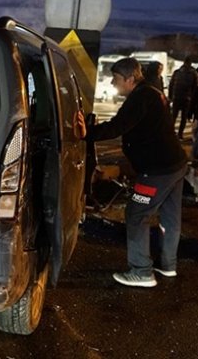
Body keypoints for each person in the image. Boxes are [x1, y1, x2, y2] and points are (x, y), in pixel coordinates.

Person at [76, 57, 188, 288]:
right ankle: (168, 265)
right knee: (170, 217)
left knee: (136, 214)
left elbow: (118, 126)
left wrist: (86, 133)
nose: (113, 83)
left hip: (156, 171)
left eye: (116, 79)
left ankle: (141, 271)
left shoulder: (140, 98)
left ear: (130, 78)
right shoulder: (152, 92)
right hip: (174, 165)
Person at [167, 58, 198, 140]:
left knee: (174, 116)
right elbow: (196, 87)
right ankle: (180, 134)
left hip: (176, 97)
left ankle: (170, 132)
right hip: (187, 98)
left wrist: (170, 96)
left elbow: (171, 85)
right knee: (183, 118)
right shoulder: (193, 73)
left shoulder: (177, 72)